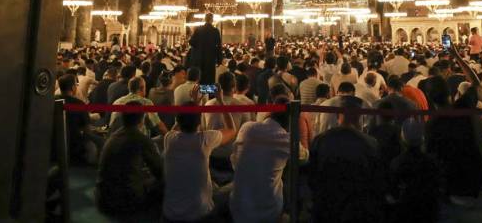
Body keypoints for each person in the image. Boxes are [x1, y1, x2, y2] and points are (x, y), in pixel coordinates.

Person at [308, 95, 385, 223]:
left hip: (327, 206)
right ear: (360, 117)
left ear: (338, 115)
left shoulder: (321, 140)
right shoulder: (370, 143)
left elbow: (313, 177)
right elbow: (376, 179)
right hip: (358, 209)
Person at [229, 94, 303, 223]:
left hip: (238, 209)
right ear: (290, 120)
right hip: (268, 213)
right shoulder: (287, 140)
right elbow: (304, 156)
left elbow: (235, 162)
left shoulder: (246, 128)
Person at [162, 100, 237, 222]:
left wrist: (192, 105)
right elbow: (232, 130)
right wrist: (221, 101)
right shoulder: (204, 139)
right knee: (235, 186)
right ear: (199, 121)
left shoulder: (169, 139)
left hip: (170, 214)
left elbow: (174, 130)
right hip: (200, 214)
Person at [95, 102, 164, 215]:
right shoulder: (141, 139)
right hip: (125, 201)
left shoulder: (113, 136)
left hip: (102, 199)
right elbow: (160, 172)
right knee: (165, 181)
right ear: (141, 120)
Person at [188, 13, 223, 85]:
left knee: (199, 78)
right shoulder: (215, 31)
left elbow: (191, 42)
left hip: (199, 58)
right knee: (209, 79)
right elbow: (219, 46)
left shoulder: (198, 30)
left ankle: (198, 94)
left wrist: (198, 47)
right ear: (212, 20)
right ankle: (208, 95)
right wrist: (219, 60)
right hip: (210, 59)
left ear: (205, 19)